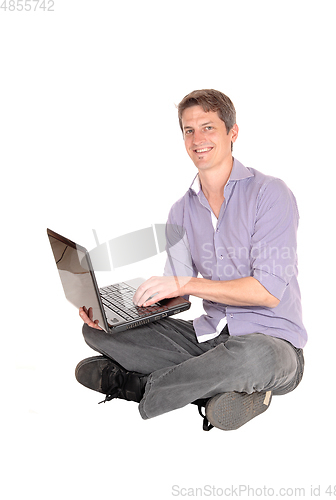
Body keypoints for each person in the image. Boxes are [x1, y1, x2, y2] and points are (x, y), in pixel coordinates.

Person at [77, 89, 307, 431]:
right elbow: (178, 294)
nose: (198, 138)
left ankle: (140, 387)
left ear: (232, 132)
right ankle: (220, 388)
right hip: (209, 339)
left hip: (273, 344)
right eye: (189, 130)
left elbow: (267, 292)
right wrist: (118, 312)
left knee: (251, 357)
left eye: (208, 127)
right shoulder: (181, 211)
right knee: (99, 333)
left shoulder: (269, 194)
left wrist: (184, 283)